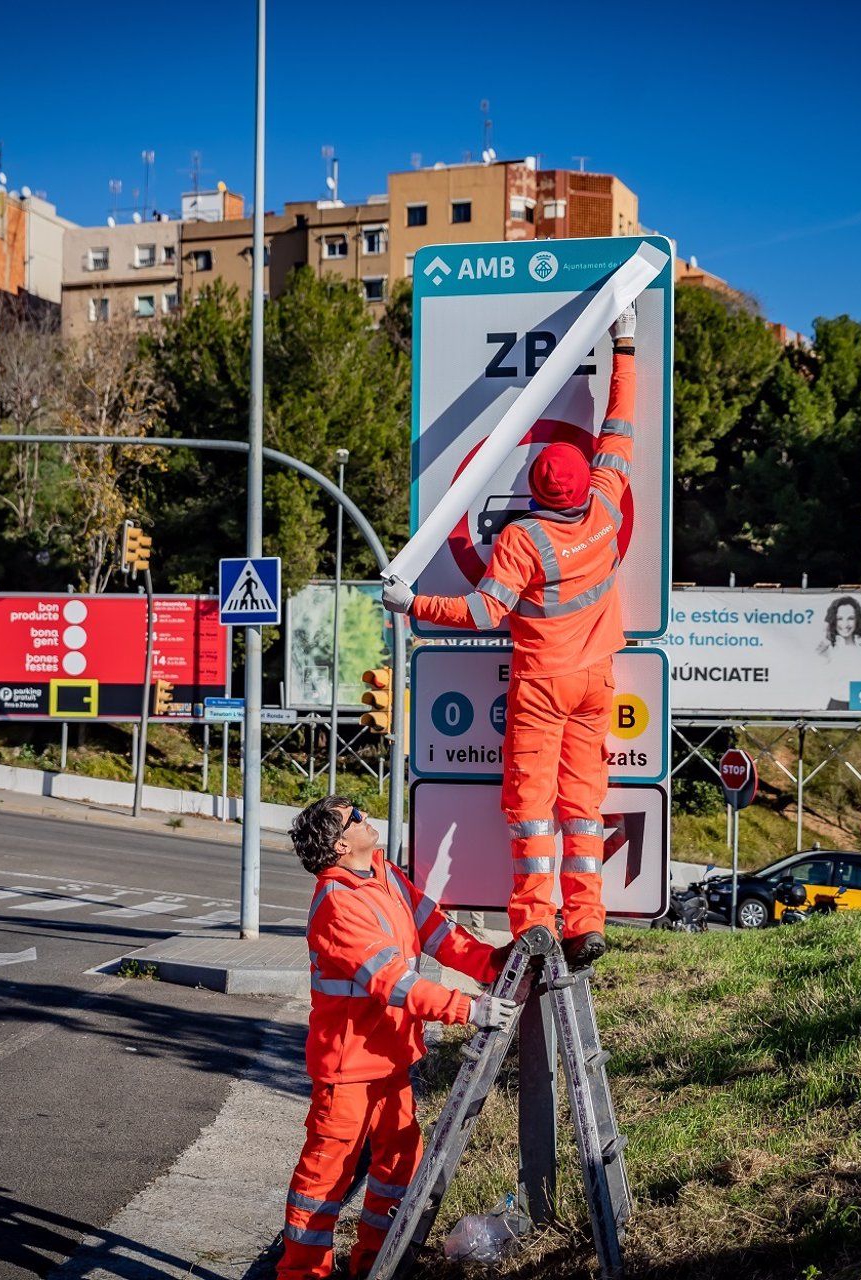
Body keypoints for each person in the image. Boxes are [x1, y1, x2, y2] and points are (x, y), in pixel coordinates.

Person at [383, 304, 641, 969]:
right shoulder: (610, 501)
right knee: (582, 810)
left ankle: (537, 923)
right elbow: (619, 425)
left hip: (543, 684)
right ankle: (588, 922)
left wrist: (412, 603)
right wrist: (627, 343)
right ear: (583, 481)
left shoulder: (524, 539)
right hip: (595, 681)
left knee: (529, 809)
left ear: (532, 488)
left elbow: (481, 613)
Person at [278, 796, 518, 1280]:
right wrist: (468, 1009)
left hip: (388, 1061)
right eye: (357, 816)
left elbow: (438, 933)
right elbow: (393, 982)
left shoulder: (387, 877)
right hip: (347, 1068)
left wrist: (493, 964)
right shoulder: (337, 903)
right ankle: (301, 1273)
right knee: (324, 1179)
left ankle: (375, 1264)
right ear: (342, 843)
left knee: (400, 1160)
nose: (368, 818)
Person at [816, 594, 861, 711]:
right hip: (837, 705)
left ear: (857, 620)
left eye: (850, 618)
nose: (845, 624)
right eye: (839, 618)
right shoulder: (828, 647)